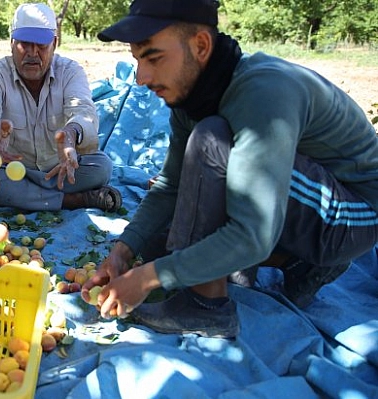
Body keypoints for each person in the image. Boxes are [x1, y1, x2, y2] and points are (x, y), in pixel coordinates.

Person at [82, 0, 378, 338]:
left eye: (153, 57)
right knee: (158, 246)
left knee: (211, 140)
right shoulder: (191, 93)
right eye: (137, 59)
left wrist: (147, 278)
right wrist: (124, 250)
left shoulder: (262, 93)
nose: (140, 77)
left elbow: (255, 233)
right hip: (304, 202)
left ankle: (205, 307)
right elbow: (170, 186)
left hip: (355, 215)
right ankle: (297, 264)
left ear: (201, 46)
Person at [0, 3, 122, 213]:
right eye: (24, 44)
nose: (32, 53)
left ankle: (25, 197)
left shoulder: (70, 72)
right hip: (11, 170)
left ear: (54, 44)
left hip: (60, 170)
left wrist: (70, 135)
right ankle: (75, 200)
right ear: (11, 44)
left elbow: (84, 111)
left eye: (41, 45)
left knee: (102, 167)